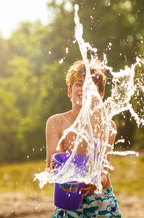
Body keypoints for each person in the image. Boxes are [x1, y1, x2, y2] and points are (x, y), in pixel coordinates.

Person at [46, 60, 122, 218]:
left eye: (91, 84)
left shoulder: (107, 125)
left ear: (100, 95)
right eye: (79, 83)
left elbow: (103, 170)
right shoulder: (56, 123)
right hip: (68, 200)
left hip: (101, 200)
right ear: (70, 91)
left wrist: (96, 181)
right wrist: (56, 170)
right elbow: (51, 166)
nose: (84, 88)